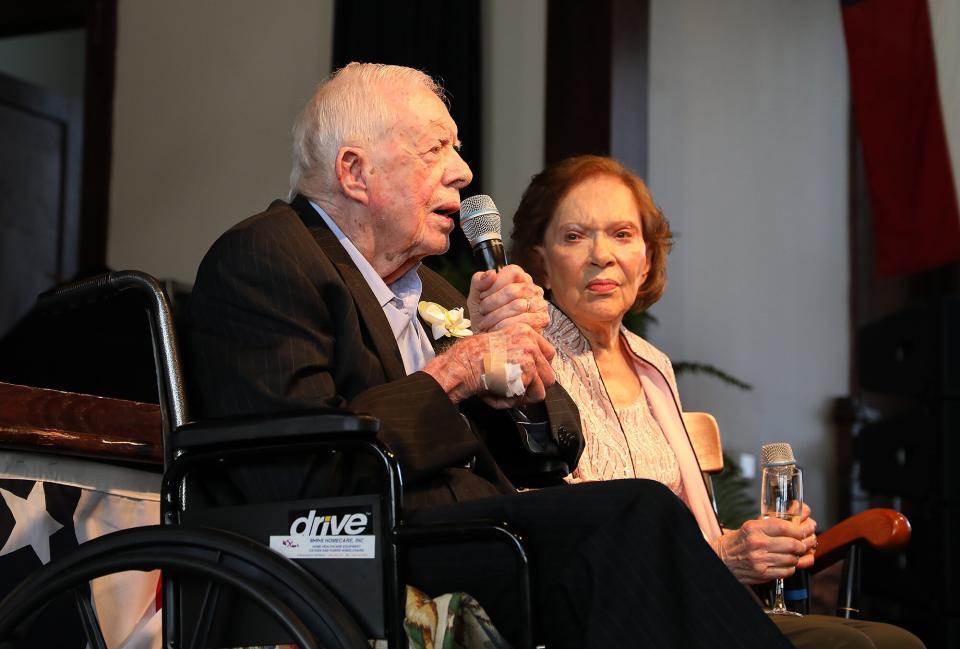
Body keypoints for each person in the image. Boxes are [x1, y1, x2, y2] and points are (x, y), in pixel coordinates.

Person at [187, 63, 793, 648]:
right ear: (354, 171)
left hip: (477, 530)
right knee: (634, 514)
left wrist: (522, 384)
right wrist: (457, 371)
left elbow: (551, 456)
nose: (463, 171)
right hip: (360, 542)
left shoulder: (435, 291)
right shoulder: (266, 259)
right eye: (435, 151)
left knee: (636, 525)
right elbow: (298, 472)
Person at [510, 153, 926, 649]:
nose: (602, 255)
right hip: (610, 619)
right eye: (575, 236)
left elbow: (693, 528)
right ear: (540, 261)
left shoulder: (652, 364)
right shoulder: (526, 360)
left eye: (622, 234)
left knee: (895, 642)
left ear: (645, 261)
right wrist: (725, 558)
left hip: (696, 600)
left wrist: (760, 546)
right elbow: (561, 532)